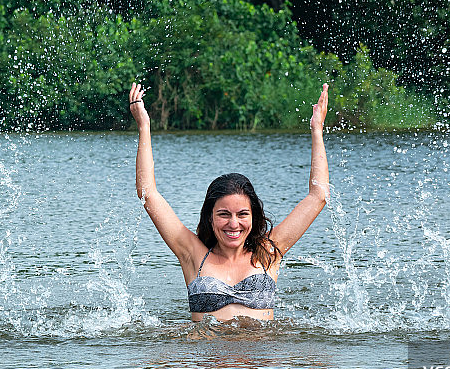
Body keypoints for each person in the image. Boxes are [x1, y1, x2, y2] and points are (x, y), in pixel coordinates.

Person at [129, 82, 329, 322]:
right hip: (206, 346)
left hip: (261, 346)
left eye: (242, 214)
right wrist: (144, 126)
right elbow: (148, 193)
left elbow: (318, 196)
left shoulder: (269, 252)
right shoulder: (193, 254)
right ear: (210, 217)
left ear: (253, 217)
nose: (234, 224)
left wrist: (317, 130)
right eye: (224, 214)